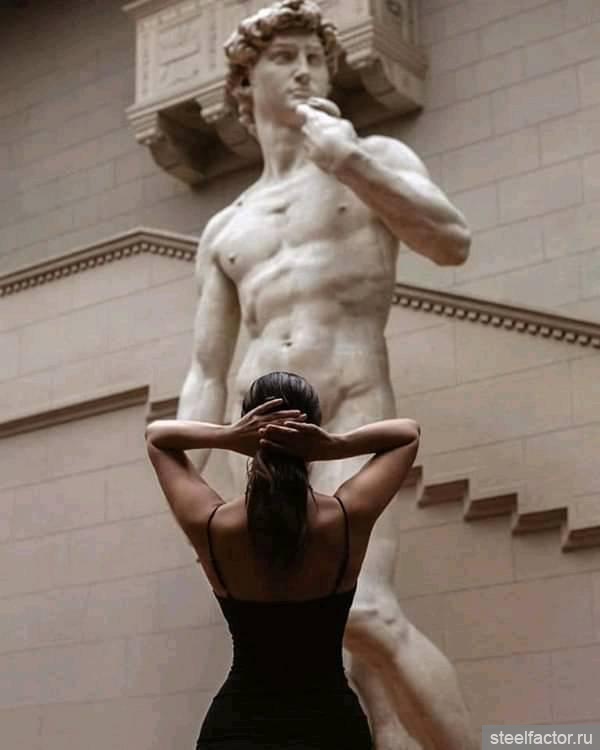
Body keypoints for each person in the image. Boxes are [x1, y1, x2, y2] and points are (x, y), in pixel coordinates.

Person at [174, 1, 477, 748]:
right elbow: (207, 368)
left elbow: (451, 241)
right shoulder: (226, 226)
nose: (305, 70)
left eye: (314, 56)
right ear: (244, 85)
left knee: (367, 613)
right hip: (259, 438)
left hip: (349, 417)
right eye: (284, 58)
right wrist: (194, 470)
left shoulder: (371, 160)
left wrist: (348, 161)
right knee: (328, 647)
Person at [146, 370, 421, 749]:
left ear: (249, 428)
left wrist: (228, 436)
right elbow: (407, 434)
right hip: (331, 727)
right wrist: (333, 445)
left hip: (237, 729)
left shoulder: (214, 524)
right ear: (313, 430)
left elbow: (157, 437)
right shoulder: (344, 518)